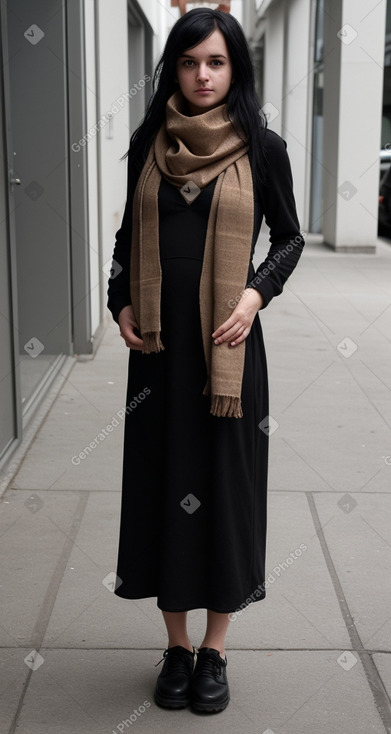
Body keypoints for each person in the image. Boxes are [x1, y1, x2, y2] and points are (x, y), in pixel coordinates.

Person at [107, 7, 305, 716]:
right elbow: (128, 239)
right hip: (159, 360)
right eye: (189, 62)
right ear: (174, 67)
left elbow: (288, 237)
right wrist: (118, 301)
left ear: (234, 69)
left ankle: (215, 649)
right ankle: (176, 647)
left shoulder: (262, 147)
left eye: (215, 62)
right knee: (164, 487)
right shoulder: (147, 144)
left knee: (223, 493)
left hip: (226, 355)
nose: (201, 75)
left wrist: (254, 296)